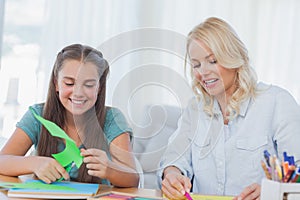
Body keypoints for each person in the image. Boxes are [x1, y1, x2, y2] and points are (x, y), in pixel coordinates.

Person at [159, 17, 300, 200]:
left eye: (212, 60)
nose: (202, 72)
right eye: (196, 65)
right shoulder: (195, 109)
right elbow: (174, 159)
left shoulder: (277, 102)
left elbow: (297, 171)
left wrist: (274, 193)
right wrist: (172, 174)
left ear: (233, 58)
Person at [0, 44, 139, 187]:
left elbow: (133, 179)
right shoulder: (38, 115)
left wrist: (110, 170)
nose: (78, 93)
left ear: (99, 87)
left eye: (89, 85)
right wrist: (34, 163)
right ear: (56, 84)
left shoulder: (112, 119)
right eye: (69, 83)